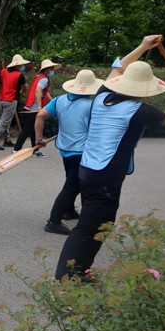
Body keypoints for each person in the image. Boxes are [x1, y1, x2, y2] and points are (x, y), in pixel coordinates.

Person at [54, 36, 165, 280]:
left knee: (99, 226)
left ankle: (80, 271)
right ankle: (65, 278)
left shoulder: (103, 96)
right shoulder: (138, 110)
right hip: (105, 176)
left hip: (89, 169)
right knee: (89, 228)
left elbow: (118, 67)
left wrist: (143, 46)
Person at [34, 70, 103, 236]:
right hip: (82, 153)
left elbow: (40, 116)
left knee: (72, 182)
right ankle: (53, 221)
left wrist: (39, 138)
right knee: (72, 187)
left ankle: (69, 211)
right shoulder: (91, 105)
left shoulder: (59, 100)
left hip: (65, 151)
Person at [13, 59, 60, 156]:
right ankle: (16, 150)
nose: (52, 71)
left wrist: (52, 102)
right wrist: (39, 106)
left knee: (35, 129)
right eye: (51, 69)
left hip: (30, 105)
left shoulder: (39, 77)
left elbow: (44, 92)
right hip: (34, 108)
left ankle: (35, 150)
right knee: (28, 129)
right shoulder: (44, 79)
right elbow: (38, 91)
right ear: (46, 70)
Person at [0, 54, 29, 150]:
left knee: (5, 122)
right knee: (4, 122)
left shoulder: (3, 72)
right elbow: (26, 88)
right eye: (20, 65)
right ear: (17, 65)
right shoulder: (19, 75)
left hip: (2, 100)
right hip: (11, 101)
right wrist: (21, 93)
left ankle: (7, 140)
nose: (21, 66)